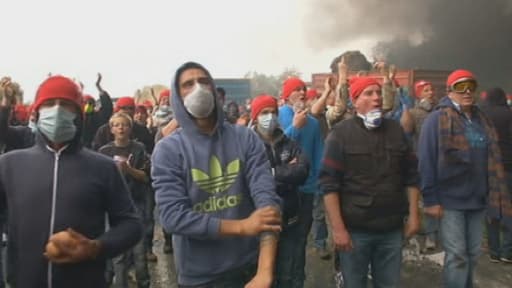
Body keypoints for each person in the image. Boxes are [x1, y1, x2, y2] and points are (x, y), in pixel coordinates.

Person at [0, 75, 142, 288]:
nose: (57, 110)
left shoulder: (103, 167)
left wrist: (96, 247)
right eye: (49, 104)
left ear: (78, 114)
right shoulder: (9, 165)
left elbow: (131, 224)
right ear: (37, 113)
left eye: (66, 105)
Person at [151, 62, 282, 288]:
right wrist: (242, 227)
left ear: (214, 89)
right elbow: (173, 217)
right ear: (176, 97)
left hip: (249, 267)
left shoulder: (245, 138)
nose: (198, 89)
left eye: (203, 81)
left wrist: (264, 271)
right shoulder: (168, 150)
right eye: (188, 84)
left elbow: (267, 202)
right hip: (200, 277)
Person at [320, 76, 420, 288]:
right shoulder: (340, 134)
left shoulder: (396, 131)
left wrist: (413, 216)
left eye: (378, 93)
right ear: (355, 101)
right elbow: (329, 185)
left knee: (389, 284)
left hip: (391, 230)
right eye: (368, 93)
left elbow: (411, 177)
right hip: (356, 232)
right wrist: (338, 230)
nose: (376, 97)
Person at [418, 70, 512, 287]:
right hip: (450, 201)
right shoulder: (436, 119)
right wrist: (430, 200)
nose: (467, 91)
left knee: (472, 253)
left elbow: (492, 156)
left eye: (471, 85)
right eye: (460, 86)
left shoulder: (482, 120)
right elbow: (426, 160)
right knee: (457, 256)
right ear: (450, 90)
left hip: (478, 199)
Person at [250, 95, 309, 287]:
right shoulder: (248, 145)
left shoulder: (289, 143)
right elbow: (249, 178)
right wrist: (284, 171)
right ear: (255, 116)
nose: (270, 117)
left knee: (289, 273)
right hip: (261, 221)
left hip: (289, 219)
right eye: (264, 113)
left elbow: (301, 171)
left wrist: (270, 172)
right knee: (264, 274)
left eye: (273, 112)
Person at [277, 77, 324, 286]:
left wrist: (318, 186)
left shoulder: (313, 123)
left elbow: (318, 156)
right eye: (296, 90)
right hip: (281, 192)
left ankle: (297, 281)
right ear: (287, 96)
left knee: (300, 241)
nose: (302, 94)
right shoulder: (276, 118)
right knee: (280, 242)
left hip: (306, 192)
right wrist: (294, 128)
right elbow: (273, 151)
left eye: (304, 89)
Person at [99, 112, 150, 287]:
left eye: (124, 124)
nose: (121, 128)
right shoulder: (104, 152)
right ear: (111, 129)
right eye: (116, 125)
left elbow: (145, 177)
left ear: (130, 128)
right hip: (113, 209)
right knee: (118, 257)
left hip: (136, 205)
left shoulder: (139, 148)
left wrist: (128, 169)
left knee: (139, 254)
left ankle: (144, 282)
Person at [479, 87, 512, 263]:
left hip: (488, 167)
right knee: (508, 208)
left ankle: (494, 251)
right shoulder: (509, 113)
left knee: (492, 208)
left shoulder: (482, 113)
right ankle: (508, 251)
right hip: (508, 168)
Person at [81, 73, 113, 148]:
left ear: (94, 105)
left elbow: (107, 107)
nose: (87, 105)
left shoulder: (98, 117)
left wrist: (98, 87)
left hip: (96, 149)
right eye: (85, 102)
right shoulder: (76, 118)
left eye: (90, 103)